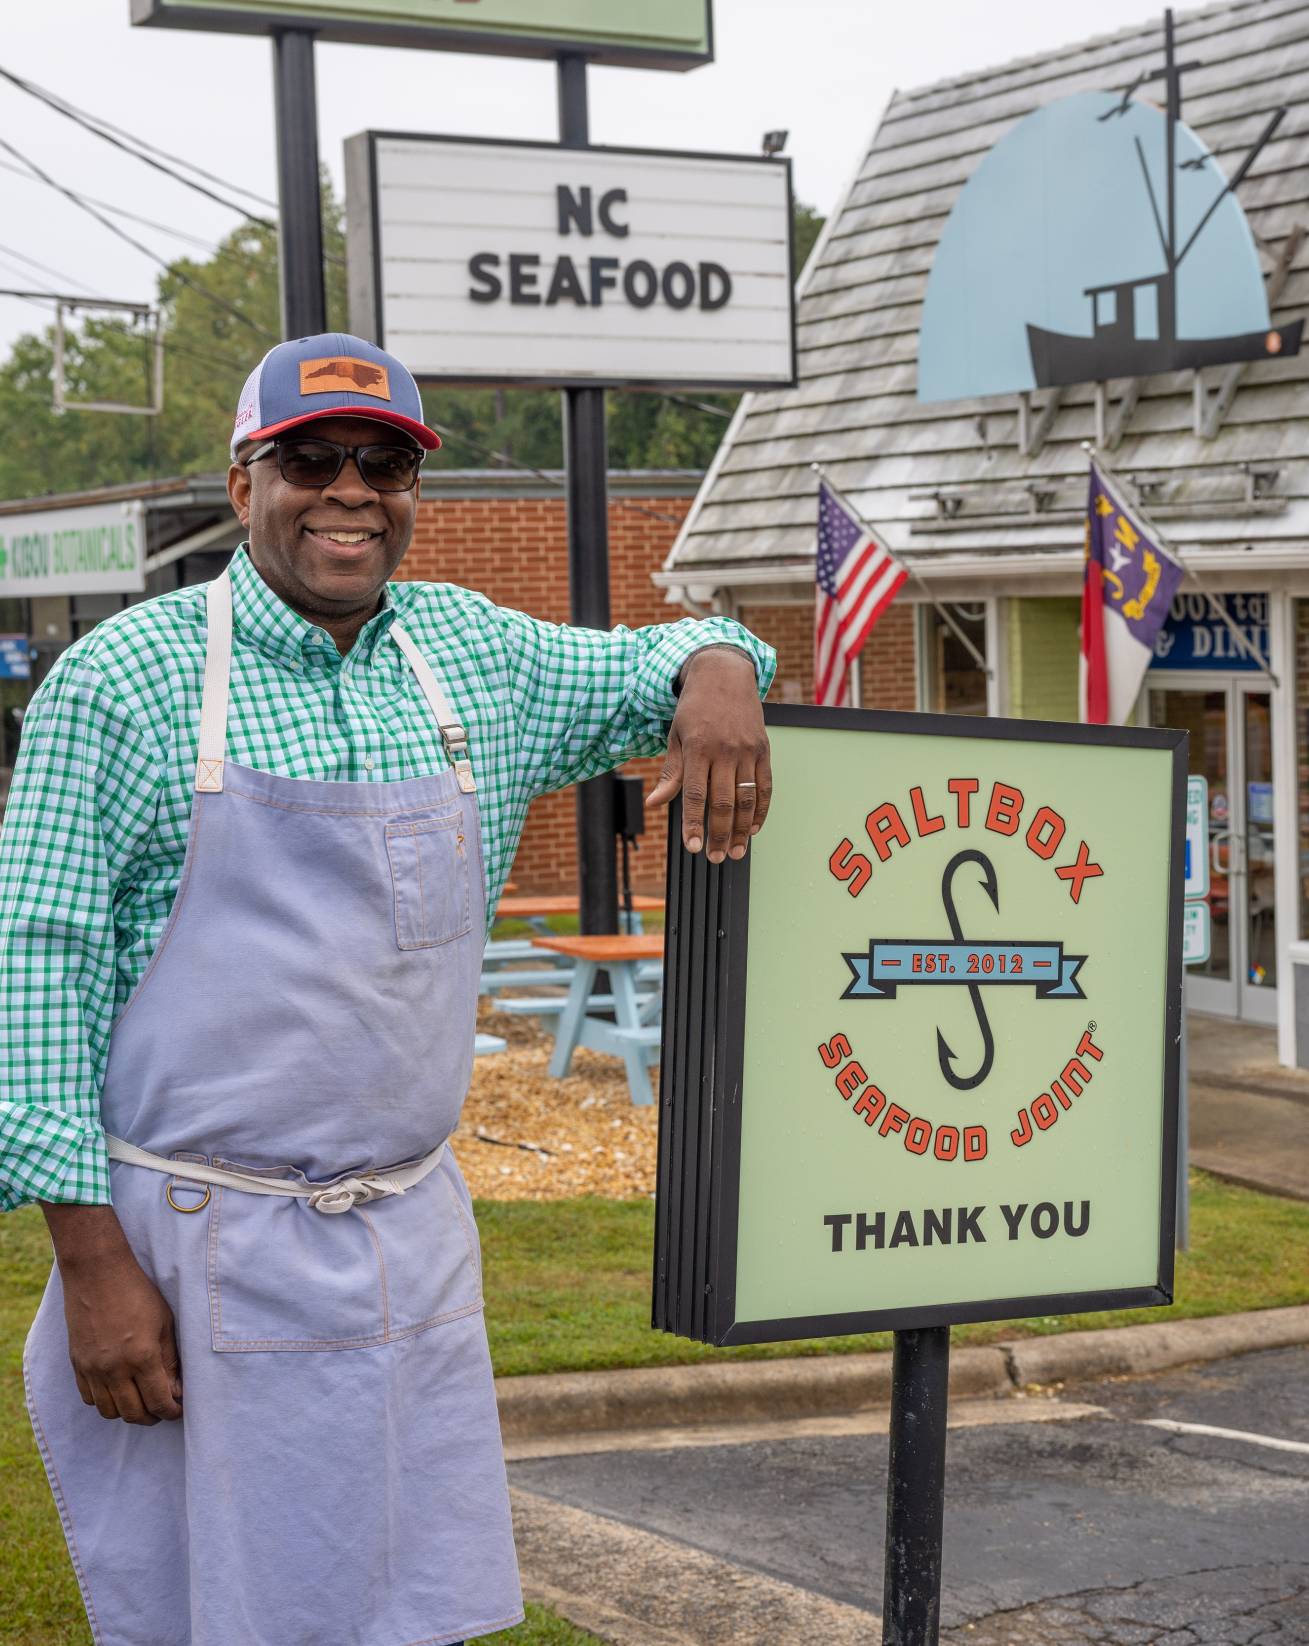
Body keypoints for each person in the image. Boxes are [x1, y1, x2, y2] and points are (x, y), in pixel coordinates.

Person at [2, 333, 775, 1646]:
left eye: (385, 462)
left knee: (400, 1605)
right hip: (195, 1250)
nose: (350, 488)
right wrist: (91, 1263)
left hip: (407, 1235)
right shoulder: (121, 680)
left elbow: (686, 645)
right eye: (311, 458)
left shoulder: (476, 653)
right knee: (215, 1611)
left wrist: (719, 679)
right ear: (244, 478)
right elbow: (36, 971)